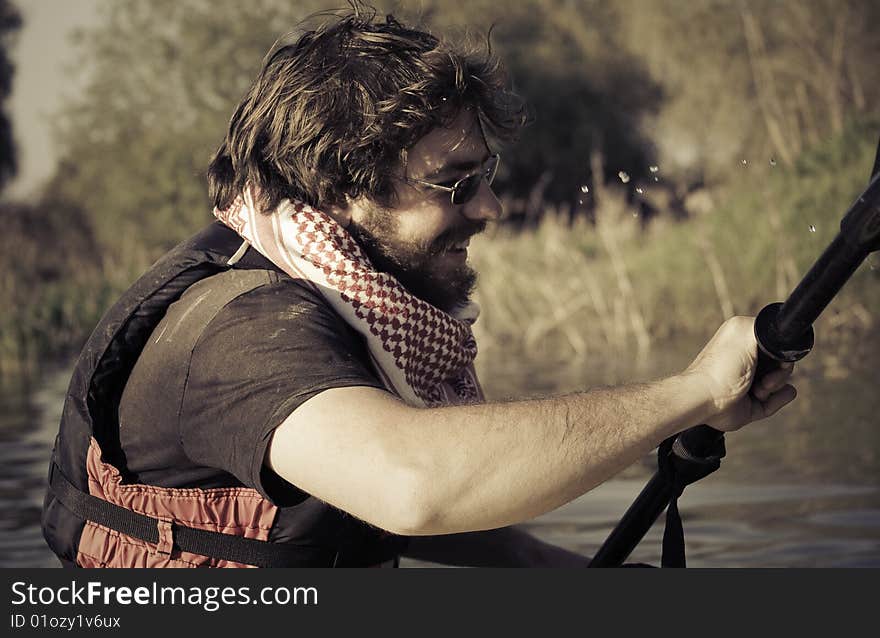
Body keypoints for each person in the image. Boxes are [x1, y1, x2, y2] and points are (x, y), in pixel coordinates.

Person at [41, 5, 797, 568]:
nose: (490, 209)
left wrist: (566, 574)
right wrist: (690, 394)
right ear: (340, 188)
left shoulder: (341, 294)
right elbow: (411, 485)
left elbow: (387, 514)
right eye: (455, 183)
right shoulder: (241, 332)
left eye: (487, 176)